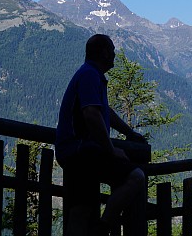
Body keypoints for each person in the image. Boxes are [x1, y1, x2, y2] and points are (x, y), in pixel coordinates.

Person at [56, 34, 147, 236]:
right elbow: (91, 114)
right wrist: (111, 150)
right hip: (82, 152)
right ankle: (103, 228)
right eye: (112, 50)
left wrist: (129, 133)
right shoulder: (90, 75)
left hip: (73, 152)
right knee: (136, 177)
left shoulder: (89, 73)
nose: (114, 54)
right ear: (104, 52)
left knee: (81, 209)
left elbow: (105, 112)